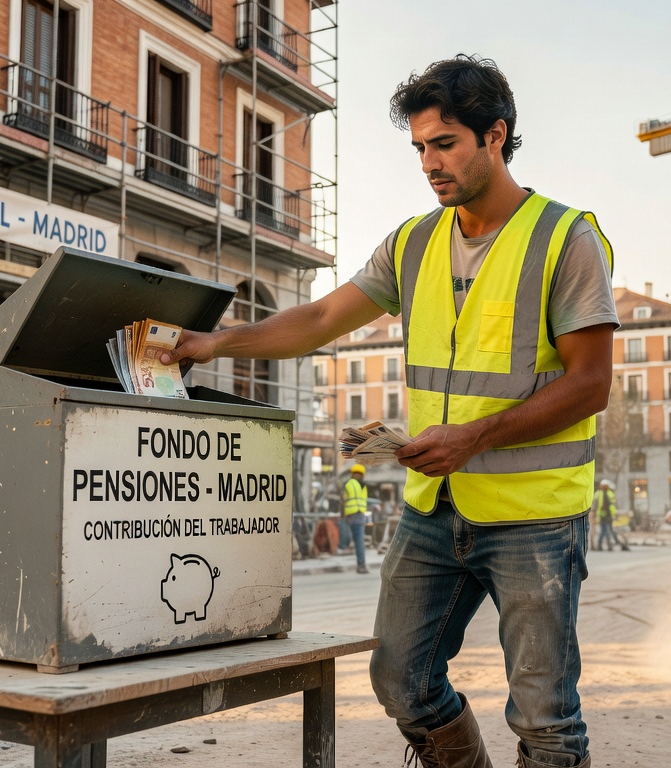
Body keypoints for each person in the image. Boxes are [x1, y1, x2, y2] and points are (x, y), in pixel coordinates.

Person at [161, 54, 616, 768]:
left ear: (495, 137)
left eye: (445, 144)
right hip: (434, 506)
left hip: (535, 515)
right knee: (400, 678)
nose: (429, 164)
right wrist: (216, 342)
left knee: (546, 719)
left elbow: (592, 384)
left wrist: (474, 437)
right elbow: (318, 319)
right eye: (419, 149)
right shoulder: (413, 242)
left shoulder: (565, 239)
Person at [343, 464, 371, 574]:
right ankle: (361, 565)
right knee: (359, 540)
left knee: (356, 540)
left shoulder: (348, 484)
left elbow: (343, 499)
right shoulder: (364, 485)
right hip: (360, 515)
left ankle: (361, 565)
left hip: (350, 514)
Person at [593, 480, 628, 552]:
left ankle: (603, 545)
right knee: (607, 530)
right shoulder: (599, 493)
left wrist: (613, 514)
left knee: (605, 531)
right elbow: (595, 504)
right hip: (603, 515)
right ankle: (609, 545)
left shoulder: (607, 493)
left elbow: (613, 505)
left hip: (607, 515)